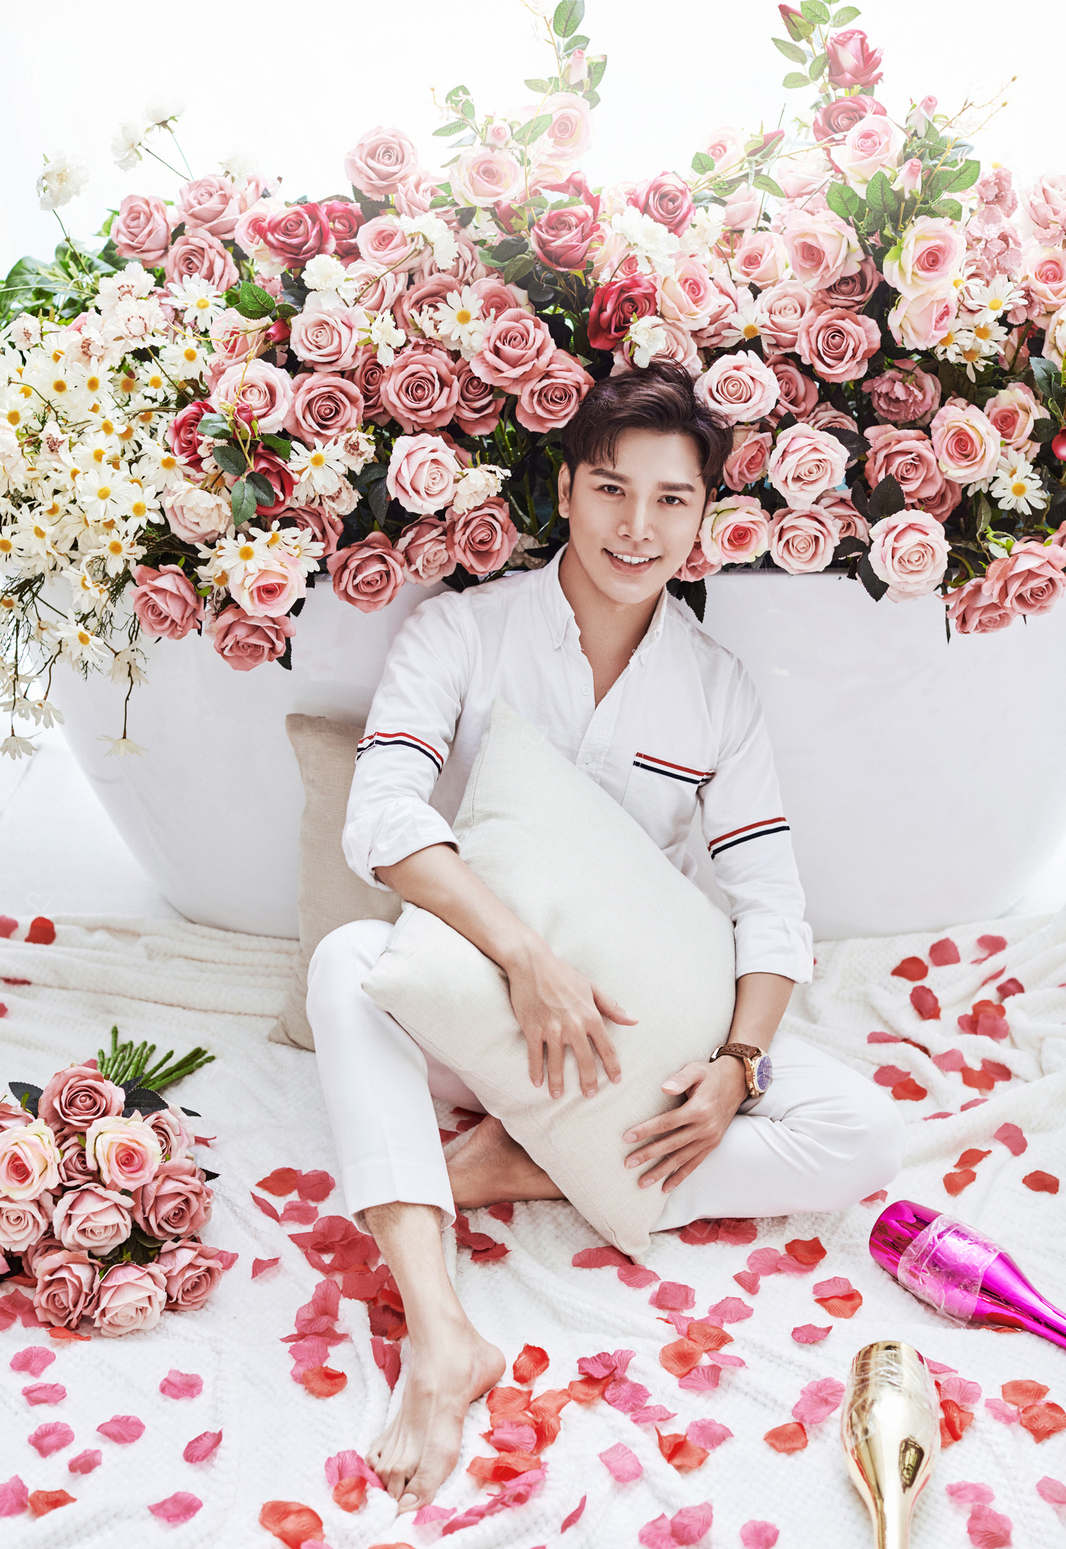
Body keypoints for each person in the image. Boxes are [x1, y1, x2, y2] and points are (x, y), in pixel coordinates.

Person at [306, 360, 906, 1515]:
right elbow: (380, 819)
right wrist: (525, 960)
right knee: (347, 965)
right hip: (487, 1007)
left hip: (638, 1037)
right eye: (611, 491)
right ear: (566, 491)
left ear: (703, 514)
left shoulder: (716, 688)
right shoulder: (463, 631)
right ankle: (442, 1335)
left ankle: (512, 1165)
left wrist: (736, 1069)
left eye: (670, 499)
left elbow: (770, 903)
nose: (638, 528)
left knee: (867, 1134)